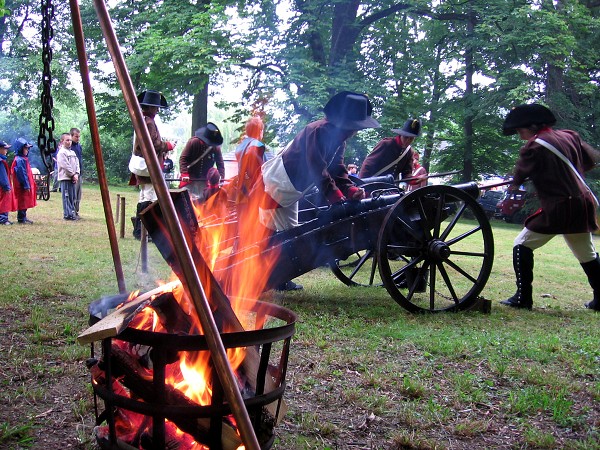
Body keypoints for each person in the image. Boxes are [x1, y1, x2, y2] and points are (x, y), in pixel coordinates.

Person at [257, 91, 380, 291]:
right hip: (280, 183)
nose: (356, 131)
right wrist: (337, 198)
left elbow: (337, 170)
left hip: (293, 188)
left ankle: (276, 276)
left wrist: (350, 191)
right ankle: (264, 276)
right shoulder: (319, 131)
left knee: (287, 231)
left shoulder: (338, 138)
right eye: (356, 126)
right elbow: (317, 168)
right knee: (278, 233)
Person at [499, 103, 600, 311]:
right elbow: (590, 161)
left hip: (561, 206)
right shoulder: (569, 136)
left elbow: (518, 177)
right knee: (586, 253)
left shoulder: (535, 146)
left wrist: (512, 184)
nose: (520, 136)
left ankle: (522, 297)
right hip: (583, 202)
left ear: (532, 127)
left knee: (522, 244)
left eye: (520, 131)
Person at [130, 90, 174, 240]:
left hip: (146, 164)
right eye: (155, 107)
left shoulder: (143, 119)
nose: (157, 109)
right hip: (148, 165)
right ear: (149, 107)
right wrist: (167, 145)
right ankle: (142, 231)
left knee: (144, 197)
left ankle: (140, 231)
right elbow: (152, 144)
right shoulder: (148, 122)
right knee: (149, 198)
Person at [179, 122, 225, 200]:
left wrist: (221, 178)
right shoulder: (193, 142)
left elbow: (220, 164)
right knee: (187, 202)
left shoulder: (215, 148)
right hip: (190, 178)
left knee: (202, 202)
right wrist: (184, 173)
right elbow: (183, 158)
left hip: (204, 180)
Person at [234, 116, 269, 213]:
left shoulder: (240, 147)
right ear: (259, 131)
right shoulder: (256, 146)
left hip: (241, 191)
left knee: (242, 223)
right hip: (254, 193)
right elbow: (260, 173)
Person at [10, 138, 37, 224]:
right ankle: (21, 218)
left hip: (23, 184)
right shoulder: (19, 160)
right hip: (21, 185)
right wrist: (26, 185)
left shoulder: (22, 159)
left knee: (25, 200)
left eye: (28, 148)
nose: (27, 150)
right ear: (20, 148)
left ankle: (23, 217)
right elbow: (22, 174)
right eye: (25, 148)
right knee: (22, 201)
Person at [56, 132, 80, 221]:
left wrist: (77, 174)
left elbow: (77, 163)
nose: (69, 142)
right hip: (66, 178)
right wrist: (72, 174)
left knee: (72, 196)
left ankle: (72, 213)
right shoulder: (61, 153)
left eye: (70, 140)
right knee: (67, 197)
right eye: (67, 140)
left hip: (73, 178)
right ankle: (68, 214)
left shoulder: (72, 152)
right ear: (62, 141)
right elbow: (65, 165)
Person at [0, 140, 15, 225]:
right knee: (4, 202)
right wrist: (7, 187)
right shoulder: (1, 162)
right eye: (4, 149)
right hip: (2, 187)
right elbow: (2, 176)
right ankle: (3, 219)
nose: (6, 151)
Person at [70, 128, 83, 217]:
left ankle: (76, 211)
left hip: (79, 173)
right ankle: (72, 211)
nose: (78, 138)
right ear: (71, 136)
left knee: (78, 194)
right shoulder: (70, 147)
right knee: (73, 193)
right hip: (73, 174)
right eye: (76, 136)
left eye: (79, 137)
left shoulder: (79, 146)